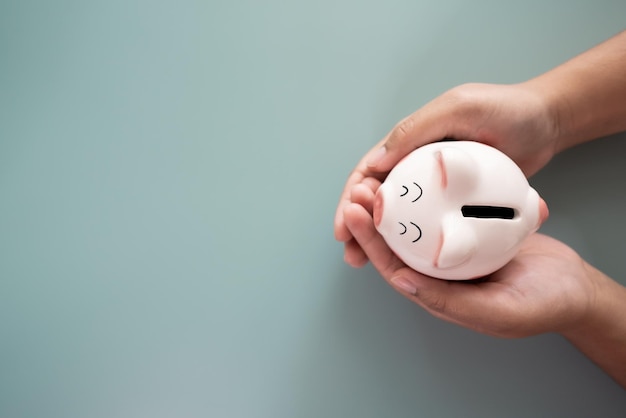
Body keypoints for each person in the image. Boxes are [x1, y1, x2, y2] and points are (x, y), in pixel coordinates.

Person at [334, 30, 626, 388]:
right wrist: (551, 114)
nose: (384, 205)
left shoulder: (455, 234)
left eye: (412, 231)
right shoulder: (451, 183)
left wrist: (590, 305)